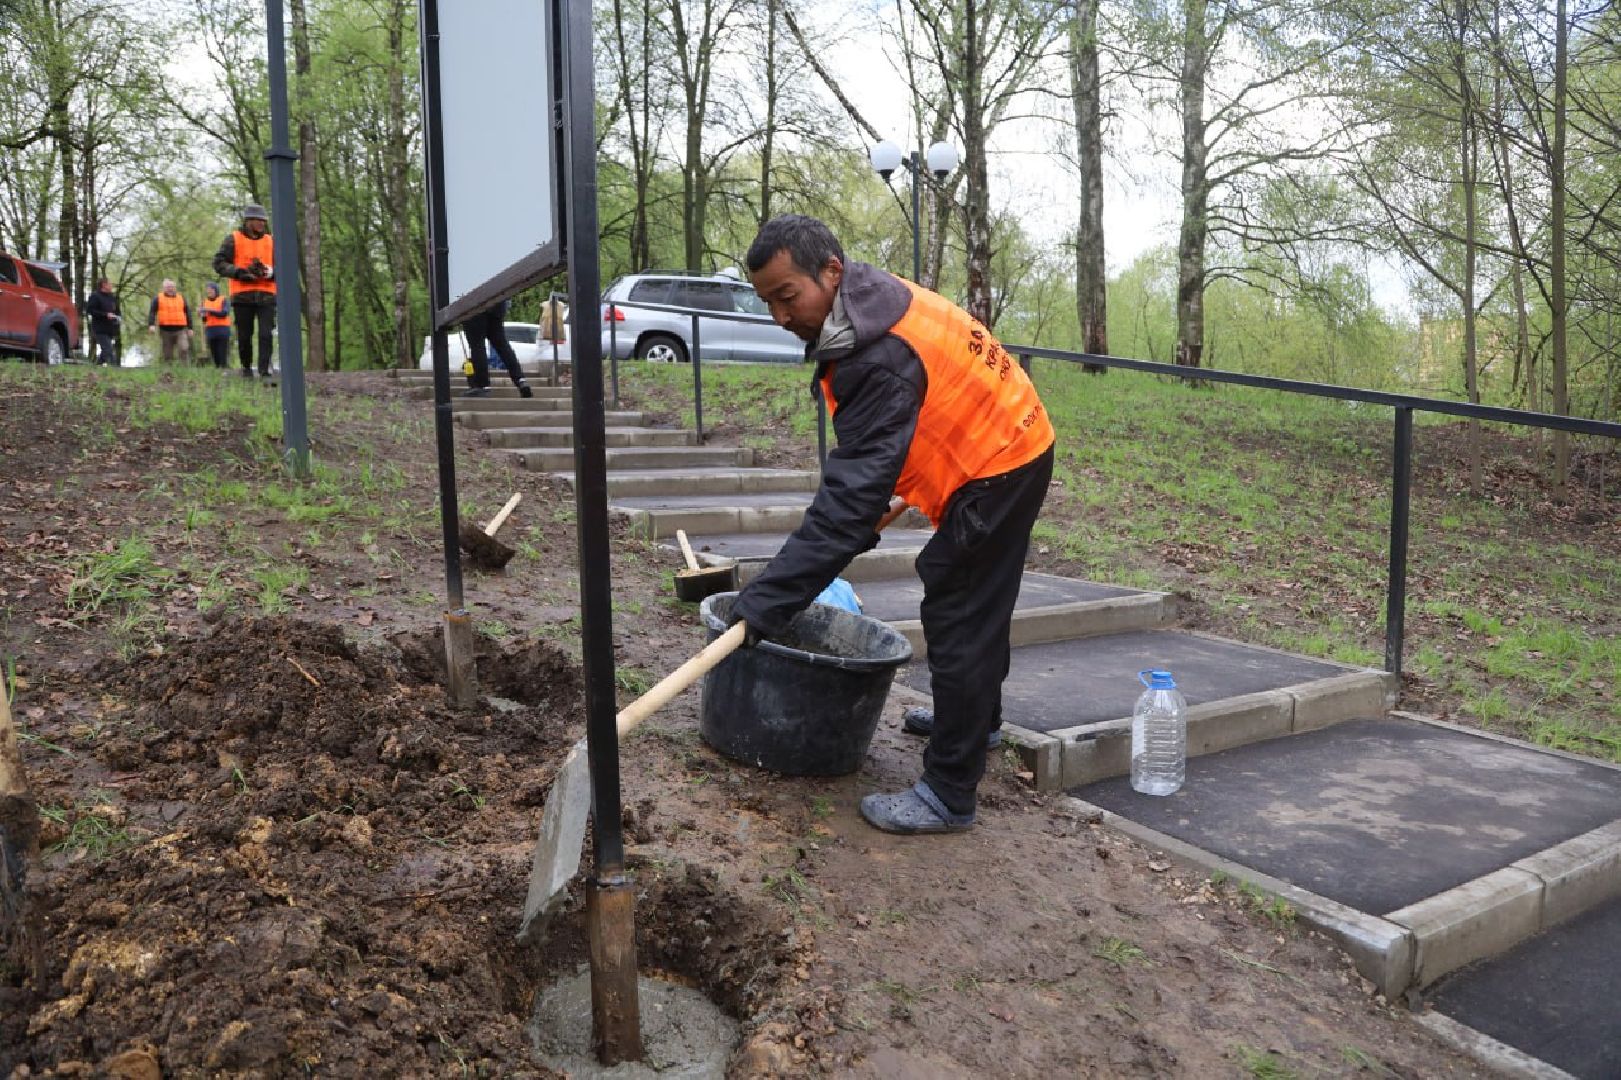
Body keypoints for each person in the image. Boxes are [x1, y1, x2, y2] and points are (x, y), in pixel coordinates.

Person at [728, 214, 1056, 836]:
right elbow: (892, 440)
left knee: (959, 611)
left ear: (830, 272)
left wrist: (763, 604)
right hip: (1012, 436)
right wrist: (874, 497)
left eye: (786, 297)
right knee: (976, 606)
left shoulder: (875, 353)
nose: (778, 317)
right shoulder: (866, 302)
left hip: (998, 462)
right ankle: (977, 720)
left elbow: (844, 509)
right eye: (768, 302)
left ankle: (948, 792)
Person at [212, 203, 276, 380]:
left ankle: (264, 371)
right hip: (242, 296)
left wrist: (271, 272)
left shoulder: (271, 241)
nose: (262, 224)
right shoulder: (233, 239)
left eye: (264, 221)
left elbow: (283, 268)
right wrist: (239, 272)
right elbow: (218, 263)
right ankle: (246, 367)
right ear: (249, 221)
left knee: (265, 334)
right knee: (245, 336)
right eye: (259, 220)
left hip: (267, 295)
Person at [462, 298, 533, 398]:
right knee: (502, 345)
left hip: (474, 306)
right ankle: (520, 380)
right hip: (496, 303)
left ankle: (482, 385)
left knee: (477, 346)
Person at [146, 279, 193, 363]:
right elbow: (152, 312)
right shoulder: (158, 298)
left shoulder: (181, 298)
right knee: (167, 354)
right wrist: (151, 324)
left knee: (184, 348)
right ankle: (168, 372)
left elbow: (188, 312)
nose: (170, 288)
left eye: (172, 286)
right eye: (168, 287)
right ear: (164, 288)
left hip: (180, 330)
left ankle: (185, 370)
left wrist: (190, 328)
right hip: (165, 331)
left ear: (175, 288)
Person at [82, 278, 122, 366]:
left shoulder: (112, 297)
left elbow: (117, 310)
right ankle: (114, 368)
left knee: (105, 351)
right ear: (104, 285)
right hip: (100, 328)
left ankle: (96, 366)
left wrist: (118, 317)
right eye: (110, 284)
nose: (111, 286)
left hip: (110, 328)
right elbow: (90, 310)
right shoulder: (95, 296)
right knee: (108, 350)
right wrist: (105, 315)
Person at [200, 282, 232, 369]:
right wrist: (202, 315)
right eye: (208, 291)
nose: (209, 292)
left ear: (216, 290)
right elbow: (204, 320)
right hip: (210, 329)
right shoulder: (205, 302)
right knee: (214, 351)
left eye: (211, 290)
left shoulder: (223, 299)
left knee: (223, 351)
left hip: (223, 329)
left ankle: (224, 367)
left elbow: (224, 313)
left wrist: (209, 310)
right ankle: (218, 368)